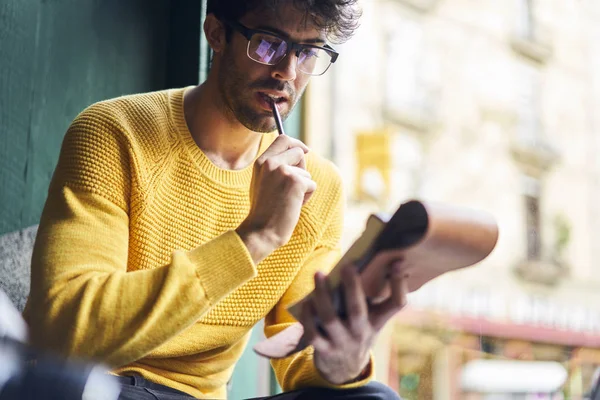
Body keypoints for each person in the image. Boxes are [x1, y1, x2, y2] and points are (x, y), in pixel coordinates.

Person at [24, 0, 406, 398]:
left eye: (308, 52)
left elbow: (296, 353)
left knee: (373, 397)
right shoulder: (114, 132)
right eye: (268, 43)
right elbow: (64, 332)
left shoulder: (317, 185)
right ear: (216, 34)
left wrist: (343, 360)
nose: (287, 72)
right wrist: (253, 238)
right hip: (98, 383)